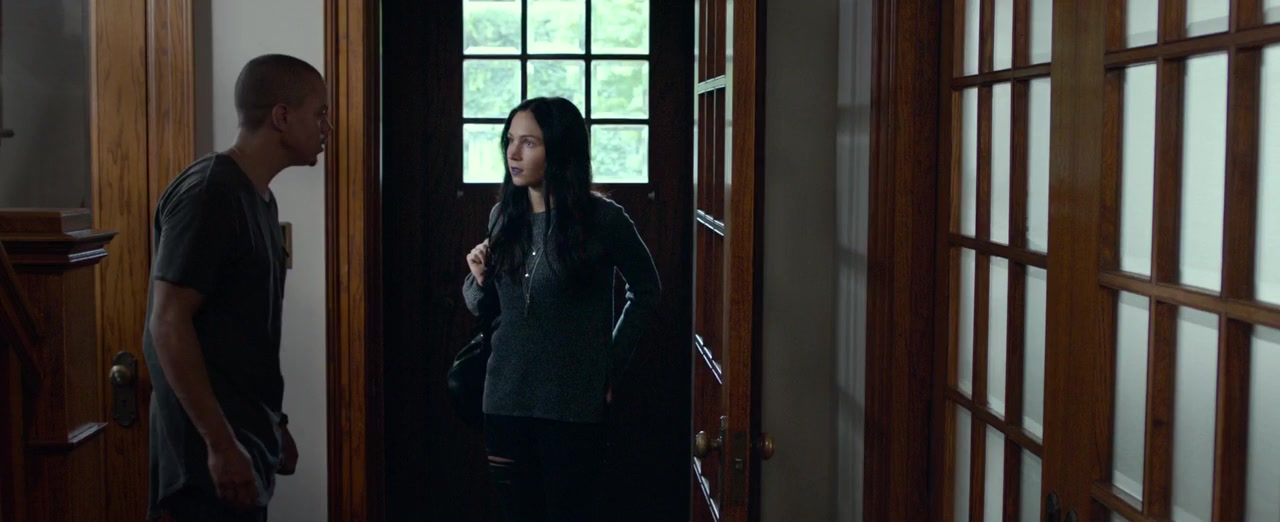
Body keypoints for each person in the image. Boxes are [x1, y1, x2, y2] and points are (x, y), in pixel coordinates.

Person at [143, 53, 330, 522]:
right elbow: (167, 323)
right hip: (201, 464)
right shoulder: (210, 193)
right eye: (319, 114)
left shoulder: (260, 199)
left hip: (246, 443)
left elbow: (242, 334)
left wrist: (274, 424)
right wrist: (220, 443)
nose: (326, 127)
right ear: (281, 117)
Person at [463, 97, 662, 521]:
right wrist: (477, 278)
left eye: (528, 143)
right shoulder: (502, 216)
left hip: (571, 406)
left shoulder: (603, 219)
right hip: (504, 401)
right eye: (510, 141)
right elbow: (486, 306)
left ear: (559, 150)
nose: (513, 154)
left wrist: (610, 363)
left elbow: (647, 290)